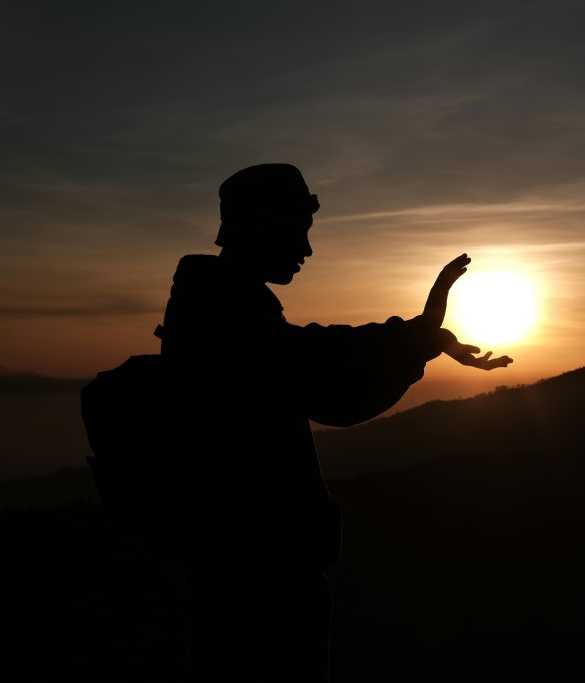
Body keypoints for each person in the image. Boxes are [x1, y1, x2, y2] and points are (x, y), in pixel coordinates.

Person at [154, 163, 512, 681]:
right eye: (299, 229)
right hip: (260, 576)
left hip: (244, 570)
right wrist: (423, 333)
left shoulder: (219, 308)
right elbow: (326, 383)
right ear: (264, 225)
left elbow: (316, 352)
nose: (307, 249)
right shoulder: (227, 321)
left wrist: (422, 334)